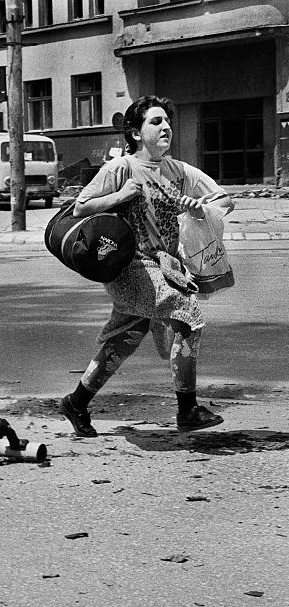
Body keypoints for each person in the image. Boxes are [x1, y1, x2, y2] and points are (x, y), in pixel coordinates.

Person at [59, 95, 233, 437]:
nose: (166, 126)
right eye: (156, 122)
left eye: (167, 121)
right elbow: (80, 207)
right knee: (188, 315)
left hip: (165, 265)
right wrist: (121, 195)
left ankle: (76, 402)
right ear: (136, 133)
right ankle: (187, 409)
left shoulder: (177, 170)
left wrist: (200, 208)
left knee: (126, 336)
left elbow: (224, 199)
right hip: (130, 265)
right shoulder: (121, 167)